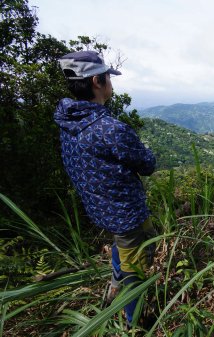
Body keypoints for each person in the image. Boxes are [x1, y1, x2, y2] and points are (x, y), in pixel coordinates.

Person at [54, 50, 156, 327]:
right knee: (136, 264)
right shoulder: (109, 128)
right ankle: (134, 321)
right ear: (97, 81)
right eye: (108, 77)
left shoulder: (68, 120)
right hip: (125, 212)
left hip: (99, 208)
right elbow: (147, 164)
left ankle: (115, 283)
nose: (111, 83)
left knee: (123, 246)